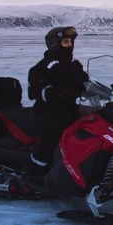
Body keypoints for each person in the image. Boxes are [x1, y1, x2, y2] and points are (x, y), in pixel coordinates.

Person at [25, 26, 88, 176]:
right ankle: (35, 171)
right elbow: (35, 91)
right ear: (55, 44)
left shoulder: (74, 65)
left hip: (72, 108)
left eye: (71, 42)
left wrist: (102, 89)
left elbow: (85, 81)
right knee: (57, 132)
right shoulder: (44, 66)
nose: (69, 46)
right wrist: (58, 93)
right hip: (49, 111)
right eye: (65, 42)